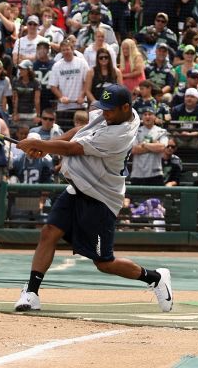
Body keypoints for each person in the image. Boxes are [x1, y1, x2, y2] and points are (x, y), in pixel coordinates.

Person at [12, 85, 174, 312]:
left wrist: (40, 145)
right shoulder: (113, 116)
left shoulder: (119, 134)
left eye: (109, 110)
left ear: (125, 108)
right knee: (49, 232)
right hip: (78, 188)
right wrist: (46, 146)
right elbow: (82, 130)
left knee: (104, 263)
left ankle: (155, 278)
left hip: (101, 198)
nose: (104, 113)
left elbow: (74, 148)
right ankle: (31, 292)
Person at [129, 106, 171, 186]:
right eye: (145, 114)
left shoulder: (161, 131)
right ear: (142, 117)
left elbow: (161, 147)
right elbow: (134, 149)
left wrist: (144, 144)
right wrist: (154, 145)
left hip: (155, 174)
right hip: (138, 174)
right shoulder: (135, 131)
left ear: (155, 117)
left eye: (150, 114)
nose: (147, 116)